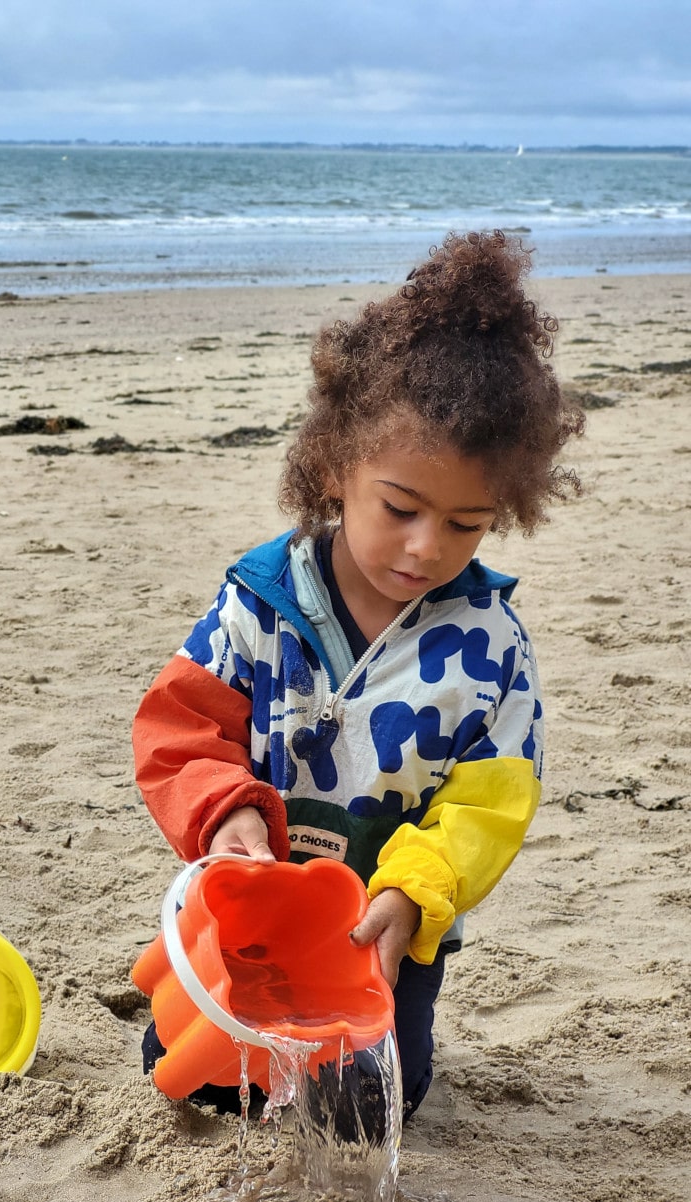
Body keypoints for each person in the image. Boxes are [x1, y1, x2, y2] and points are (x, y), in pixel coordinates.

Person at [132, 231, 583, 1125]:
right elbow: (181, 730)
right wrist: (230, 813)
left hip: (380, 931)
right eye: (402, 509)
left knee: (378, 1102)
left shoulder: (491, 645)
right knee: (190, 1066)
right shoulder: (260, 603)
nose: (427, 548)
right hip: (255, 905)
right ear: (337, 467)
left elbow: (488, 805)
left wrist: (414, 893)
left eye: (466, 524)